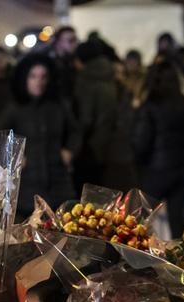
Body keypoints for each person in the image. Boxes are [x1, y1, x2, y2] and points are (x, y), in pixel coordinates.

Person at [0, 54, 81, 217]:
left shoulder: (58, 105)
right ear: (25, 79)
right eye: (33, 76)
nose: (38, 81)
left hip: (58, 180)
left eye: (43, 77)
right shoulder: (15, 107)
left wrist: (70, 151)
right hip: (26, 184)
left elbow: (75, 131)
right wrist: (15, 156)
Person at [132, 59, 184, 231]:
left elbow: (142, 142)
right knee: (177, 223)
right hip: (182, 169)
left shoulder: (150, 106)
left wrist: (139, 162)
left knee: (139, 221)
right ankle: (178, 257)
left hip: (155, 170)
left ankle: (134, 256)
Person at [72, 38, 120, 189]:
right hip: (109, 144)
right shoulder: (109, 75)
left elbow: (86, 118)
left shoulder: (86, 79)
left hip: (89, 148)